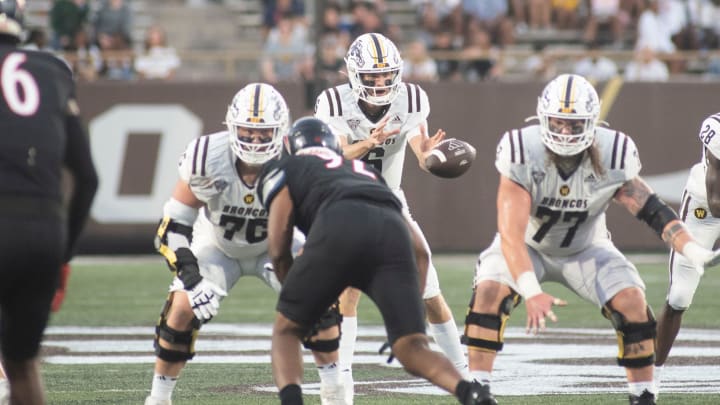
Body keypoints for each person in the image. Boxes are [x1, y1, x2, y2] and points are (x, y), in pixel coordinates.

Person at [461, 73, 720, 405]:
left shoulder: (613, 151)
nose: (565, 132)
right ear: (542, 118)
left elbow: (652, 210)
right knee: (489, 292)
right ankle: (479, 389)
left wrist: (693, 251)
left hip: (587, 247)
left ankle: (643, 395)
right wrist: (531, 291)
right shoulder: (521, 150)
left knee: (632, 302)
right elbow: (511, 235)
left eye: (575, 124)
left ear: (592, 123)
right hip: (528, 246)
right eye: (558, 122)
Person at [257, 116, 496, 405]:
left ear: (288, 147)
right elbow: (420, 251)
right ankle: (471, 392)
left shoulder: (285, 168)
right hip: (391, 233)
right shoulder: (365, 172)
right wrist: (410, 314)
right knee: (412, 347)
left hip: (337, 225)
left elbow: (279, 245)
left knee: (287, 330)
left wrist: (293, 293)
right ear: (335, 148)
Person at [144, 83, 346, 405]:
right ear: (231, 126)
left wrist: (308, 260)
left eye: (264, 133)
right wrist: (192, 280)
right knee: (181, 309)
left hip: (278, 245)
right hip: (218, 246)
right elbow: (172, 227)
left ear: (280, 131)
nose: (254, 140)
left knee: (320, 303)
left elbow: (324, 222)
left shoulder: (297, 156)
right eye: (247, 131)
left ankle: (335, 393)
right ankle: (158, 398)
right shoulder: (207, 156)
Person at [314, 32, 470, 403]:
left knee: (431, 292)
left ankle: (467, 377)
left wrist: (430, 155)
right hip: (344, 201)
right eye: (372, 76)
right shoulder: (333, 101)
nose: (381, 83)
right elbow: (334, 155)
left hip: (389, 202)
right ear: (353, 74)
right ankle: (340, 387)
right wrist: (368, 142)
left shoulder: (412, 98)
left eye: (387, 76)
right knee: (347, 293)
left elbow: (420, 149)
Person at [0, 2, 98, 404]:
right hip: (44, 232)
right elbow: (88, 179)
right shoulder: (53, 71)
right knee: (23, 363)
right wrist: (64, 254)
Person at [654, 112, 720, 389]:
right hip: (704, 208)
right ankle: (651, 375)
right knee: (679, 297)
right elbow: (716, 201)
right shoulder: (717, 128)